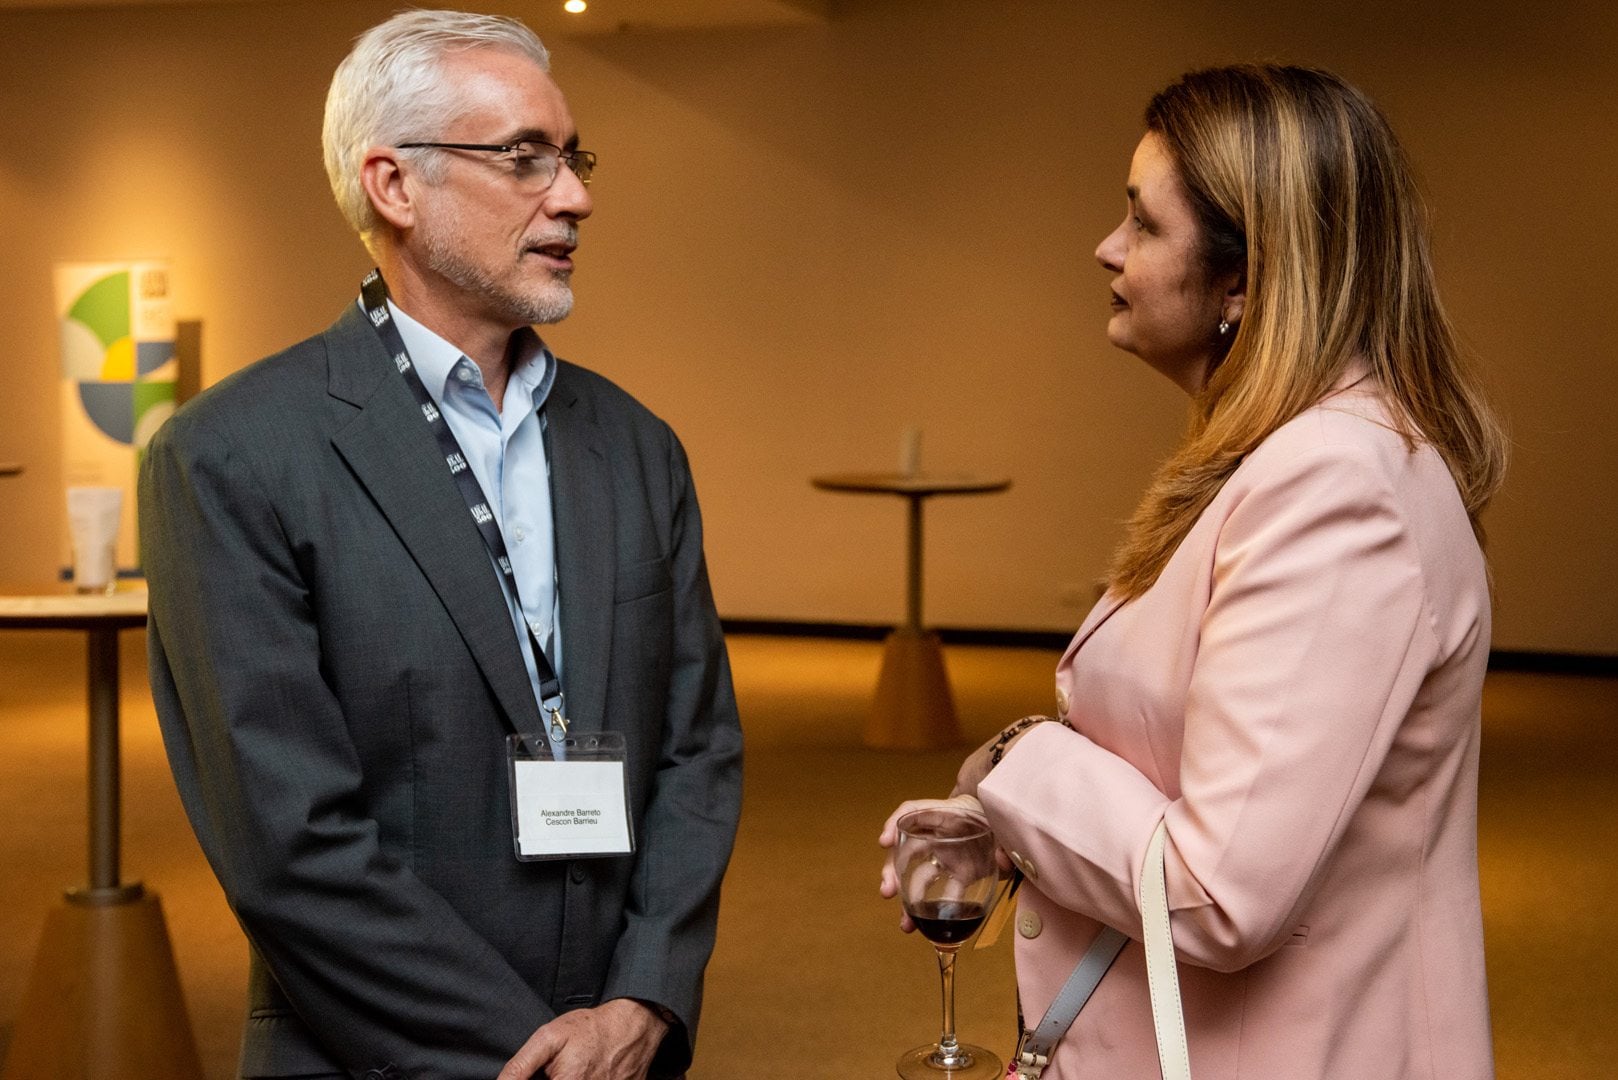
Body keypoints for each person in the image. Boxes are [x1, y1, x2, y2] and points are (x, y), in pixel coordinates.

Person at [140, 11, 742, 1080]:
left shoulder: (637, 447)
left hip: (619, 1047)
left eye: (572, 159)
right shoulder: (232, 456)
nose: (575, 197)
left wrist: (642, 997)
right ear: (394, 185)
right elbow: (289, 844)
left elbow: (697, 752)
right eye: (524, 157)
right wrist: (532, 1057)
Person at [881, 64, 1506, 1079]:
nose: (1107, 247)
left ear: (1242, 282)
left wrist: (1016, 762)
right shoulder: (1286, 458)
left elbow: (1219, 893)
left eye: (1143, 223)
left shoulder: (1334, 487)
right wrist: (1019, 832)